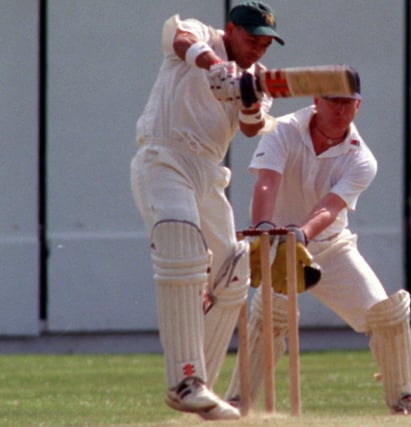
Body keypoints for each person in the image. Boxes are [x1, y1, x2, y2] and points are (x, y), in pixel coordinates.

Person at [224, 71, 411, 416]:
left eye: (347, 103)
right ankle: (237, 402)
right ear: (316, 101)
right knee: (269, 320)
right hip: (276, 244)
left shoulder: (361, 158)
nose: (340, 110)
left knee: (387, 315)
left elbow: (330, 206)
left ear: (358, 106)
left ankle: (404, 400)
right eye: (333, 101)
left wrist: (303, 235)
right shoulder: (283, 129)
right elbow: (266, 181)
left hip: (329, 246)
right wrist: (264, 229)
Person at [130, 1, 284, 421]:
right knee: (182, 245)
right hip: (165, 158)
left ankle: (202, 388)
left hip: (210, 173)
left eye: (266, 44)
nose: (258, 50)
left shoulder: (256, 78)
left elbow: (252, 128)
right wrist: (217, 66)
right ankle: (185, 381)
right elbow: (181, 41)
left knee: (234, 270)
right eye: (252, 39)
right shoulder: (199, 34)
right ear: (230, 29)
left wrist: (250, 102)